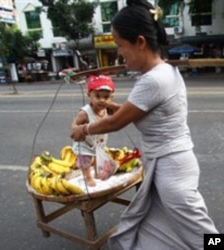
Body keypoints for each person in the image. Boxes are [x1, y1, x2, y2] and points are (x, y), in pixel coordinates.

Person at [71, 0, 219, 249]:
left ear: (139, 42)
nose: (118, 53)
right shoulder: (166, 72)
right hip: (168, 164)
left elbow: (117, 122)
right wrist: (106, 108)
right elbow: (135, 112)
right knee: (156, 222)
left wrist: (82, 130)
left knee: (202, 231)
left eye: (120, 45)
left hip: (172, 169)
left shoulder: (152, 80)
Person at [72, 74, 115, 187]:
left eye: (106, 97)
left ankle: (97, 173)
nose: (102, 100)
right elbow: (74, 124)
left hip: (98, 142)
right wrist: (76, 131)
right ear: (89, 95)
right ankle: (88, 177)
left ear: (111, 97)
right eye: (97, 96)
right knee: (85, 161)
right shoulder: (85, 112)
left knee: (97, 158)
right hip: (85, 144)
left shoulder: (106, 109)